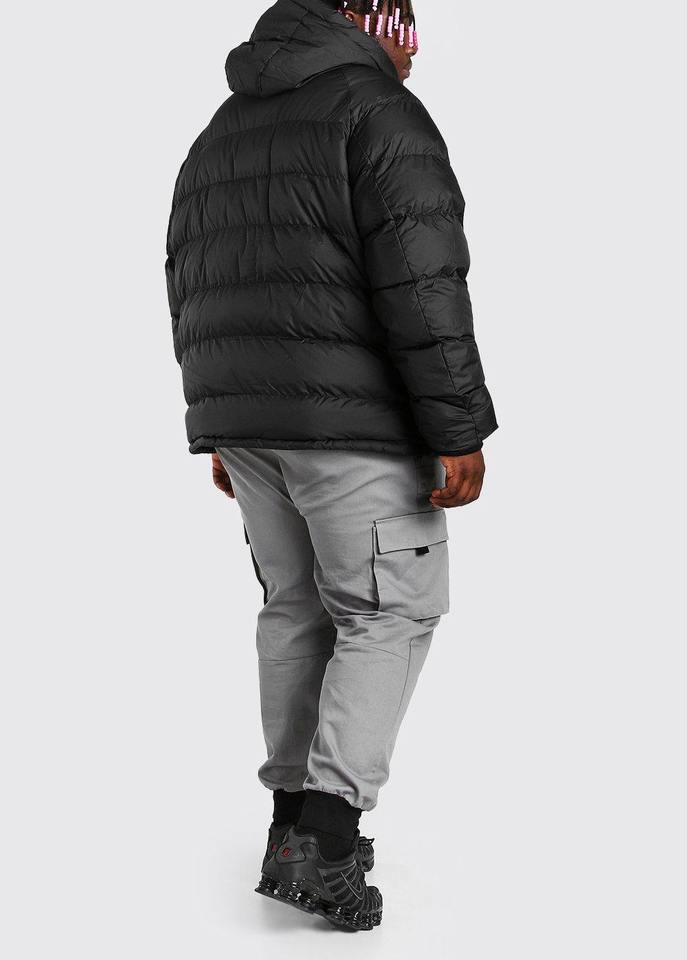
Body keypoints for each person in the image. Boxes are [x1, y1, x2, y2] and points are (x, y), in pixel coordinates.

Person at [165, 0, 497, 932]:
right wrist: (457, 426)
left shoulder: (222, 128)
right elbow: (421, 279)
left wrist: (223, 425)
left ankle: (291, 826)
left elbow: (187, 275)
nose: (413, 52)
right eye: (405, 28)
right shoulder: (376, 110)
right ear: (368, 21)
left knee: (296, 610)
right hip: (356, 427)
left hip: (250, 422)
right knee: (388, 611)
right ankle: (326, 843)